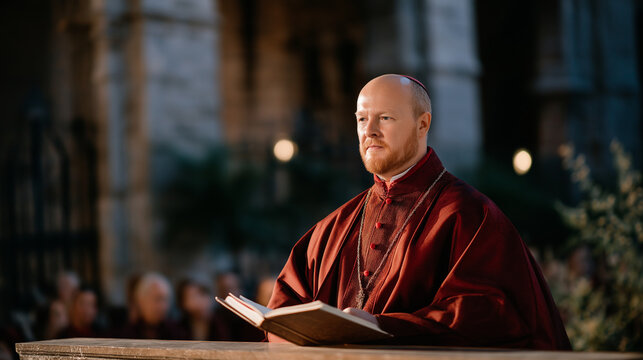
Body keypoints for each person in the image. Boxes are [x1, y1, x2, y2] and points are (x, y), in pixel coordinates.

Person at [267, 74, 571, 350]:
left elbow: (490, 314)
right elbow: (284, 309)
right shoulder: (334, 226)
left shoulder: (470, 215)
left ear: (422, 124)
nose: (369, 131)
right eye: (361, 119)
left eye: (384, 118)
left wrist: (381, 326)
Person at [117, 272, 187, 340]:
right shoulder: (123, 335)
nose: (163, 306)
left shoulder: (177, 333)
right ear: (141, 300)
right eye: (157, 299)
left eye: (166, 300)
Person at [176, 276, 229, 340]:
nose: (199, 300)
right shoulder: (178, 327)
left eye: (202, 294)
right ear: (183, 302)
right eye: (192, 296)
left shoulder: (223, 322)